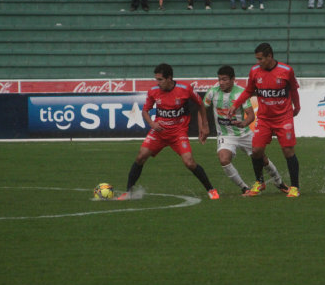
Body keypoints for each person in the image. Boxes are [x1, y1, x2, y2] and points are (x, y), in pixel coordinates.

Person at [117, 63, 220, 201]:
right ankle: (129, 192)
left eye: (160, 79)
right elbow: (145, 111)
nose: (157, 83)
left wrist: (205, 125)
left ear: (169, 78)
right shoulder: (153, 91)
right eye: (156, 79)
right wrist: (152, 123)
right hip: (159, 132)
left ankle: (211, 189)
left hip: (178, 133)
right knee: (141, 156)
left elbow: (200, 104)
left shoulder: (185, 89)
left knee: (189, 162)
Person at [227, 43, 301, 198]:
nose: (258, 62)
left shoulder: (286, 71)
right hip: (265, 118)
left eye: (261, 59)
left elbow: (294, 89)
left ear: (270, 56)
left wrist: (297, 106)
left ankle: (295, 187)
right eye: (257, 59)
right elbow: (248, 91)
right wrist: (235, 105)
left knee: (288, 151)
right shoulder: (254, 71)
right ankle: (259, 183)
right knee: (256, 151)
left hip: (283, 117)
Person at [204, 65, 289, 196]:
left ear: (233, 79)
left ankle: (279, 183)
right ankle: (245, 188)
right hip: (226, 135)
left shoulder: (241, 93)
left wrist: (243, 123)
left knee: (263, 160)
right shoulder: (213, 92)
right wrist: (204, 126)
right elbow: (201, 108)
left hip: (244, 134)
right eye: (219, 79)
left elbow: (251, 115)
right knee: (223, 159)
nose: (221, 82)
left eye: (225, 79)